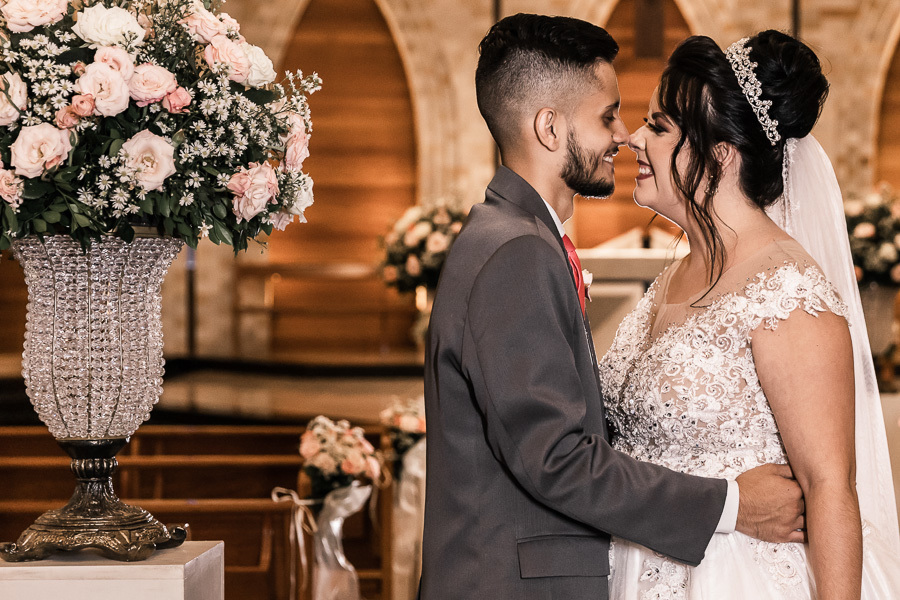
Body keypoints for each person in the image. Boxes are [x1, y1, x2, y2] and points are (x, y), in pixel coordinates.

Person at [419, 14, 806, 599]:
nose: (624, 135)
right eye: (607, 116)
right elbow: (556, 459)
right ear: (549, 127)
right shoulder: (516, 252)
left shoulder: (514, 236)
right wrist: (733, 504)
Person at [603, 31, 900, 598]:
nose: (634, 139)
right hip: (637, 564)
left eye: (660, 127)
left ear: (719, 154)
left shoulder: (786, 294)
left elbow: (830, 489)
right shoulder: (673, 273)